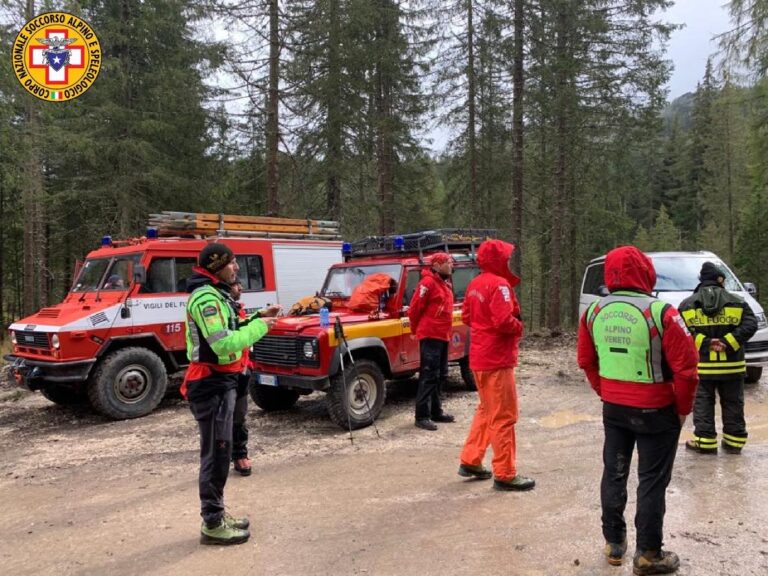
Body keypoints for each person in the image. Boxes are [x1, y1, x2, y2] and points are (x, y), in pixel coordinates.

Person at [577, 245, 699, 574]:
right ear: (645, 271)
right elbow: (687, 370)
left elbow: (586, 361)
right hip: (657, 412)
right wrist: (682, 409)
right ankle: (648, 554)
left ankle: (614, 544)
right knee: (651, 481)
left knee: (614, 473)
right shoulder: (663, 313)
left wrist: (606, 391)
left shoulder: (593, 312)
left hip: (614, 409)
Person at [182, 242, 278, 546]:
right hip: (210, 385)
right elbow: (222, 343)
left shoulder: (218, 294)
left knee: (222, 453)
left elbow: (234, 326)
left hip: (222, 383)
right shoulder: (205, 299)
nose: (236, 268)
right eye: (232, 262)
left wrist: (259, 316)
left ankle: (218, 513)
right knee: (215, 455)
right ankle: (211, 523)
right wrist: (262, 326)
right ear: (216, 265)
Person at [458, 239, 534, 491]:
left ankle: (471, 459)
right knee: (504, 416)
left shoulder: (474, 283)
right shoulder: (499, 284)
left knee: (486, 410)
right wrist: (519, 327)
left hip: (479, 359)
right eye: (507, 258)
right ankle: (505, 473)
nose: (509, 262)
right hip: (496, 359)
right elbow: (503, 320)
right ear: (498, 260)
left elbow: (467, 316)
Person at [679, 261, 757, 455]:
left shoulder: (687, 304)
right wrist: (728, 342)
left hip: (703, 368)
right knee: (733, 403)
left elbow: (681, 332)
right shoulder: (738, 301)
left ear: (702, 280)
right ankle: (734, 443)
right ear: (720, 280)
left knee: (703, 403)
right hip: (733, 367)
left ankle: (705, 443)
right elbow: (751, 324)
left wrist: (705, 343)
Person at [228, 280, 282, 476]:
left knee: (239, 416)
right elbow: (232, 336)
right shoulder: (220, 308)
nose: (240, 288)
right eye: (235, 285)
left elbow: (242, 326)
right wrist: (260, 323)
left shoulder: (236, 308)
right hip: (224, 371)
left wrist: (261, 315)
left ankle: (240, 455)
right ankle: (219, 457)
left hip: (242, 368)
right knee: (221, 418)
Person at [408, 252, 456, 431]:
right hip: (430, 335)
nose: (451, 265)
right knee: (429, 375)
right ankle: (421, 416)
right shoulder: (427, 283)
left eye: (450, 262)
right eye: (447, 263)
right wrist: (414, 330)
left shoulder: (445, 283)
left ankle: (436, 411)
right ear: (436, 265)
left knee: (441, 374)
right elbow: (414, 309)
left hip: (443, 335)